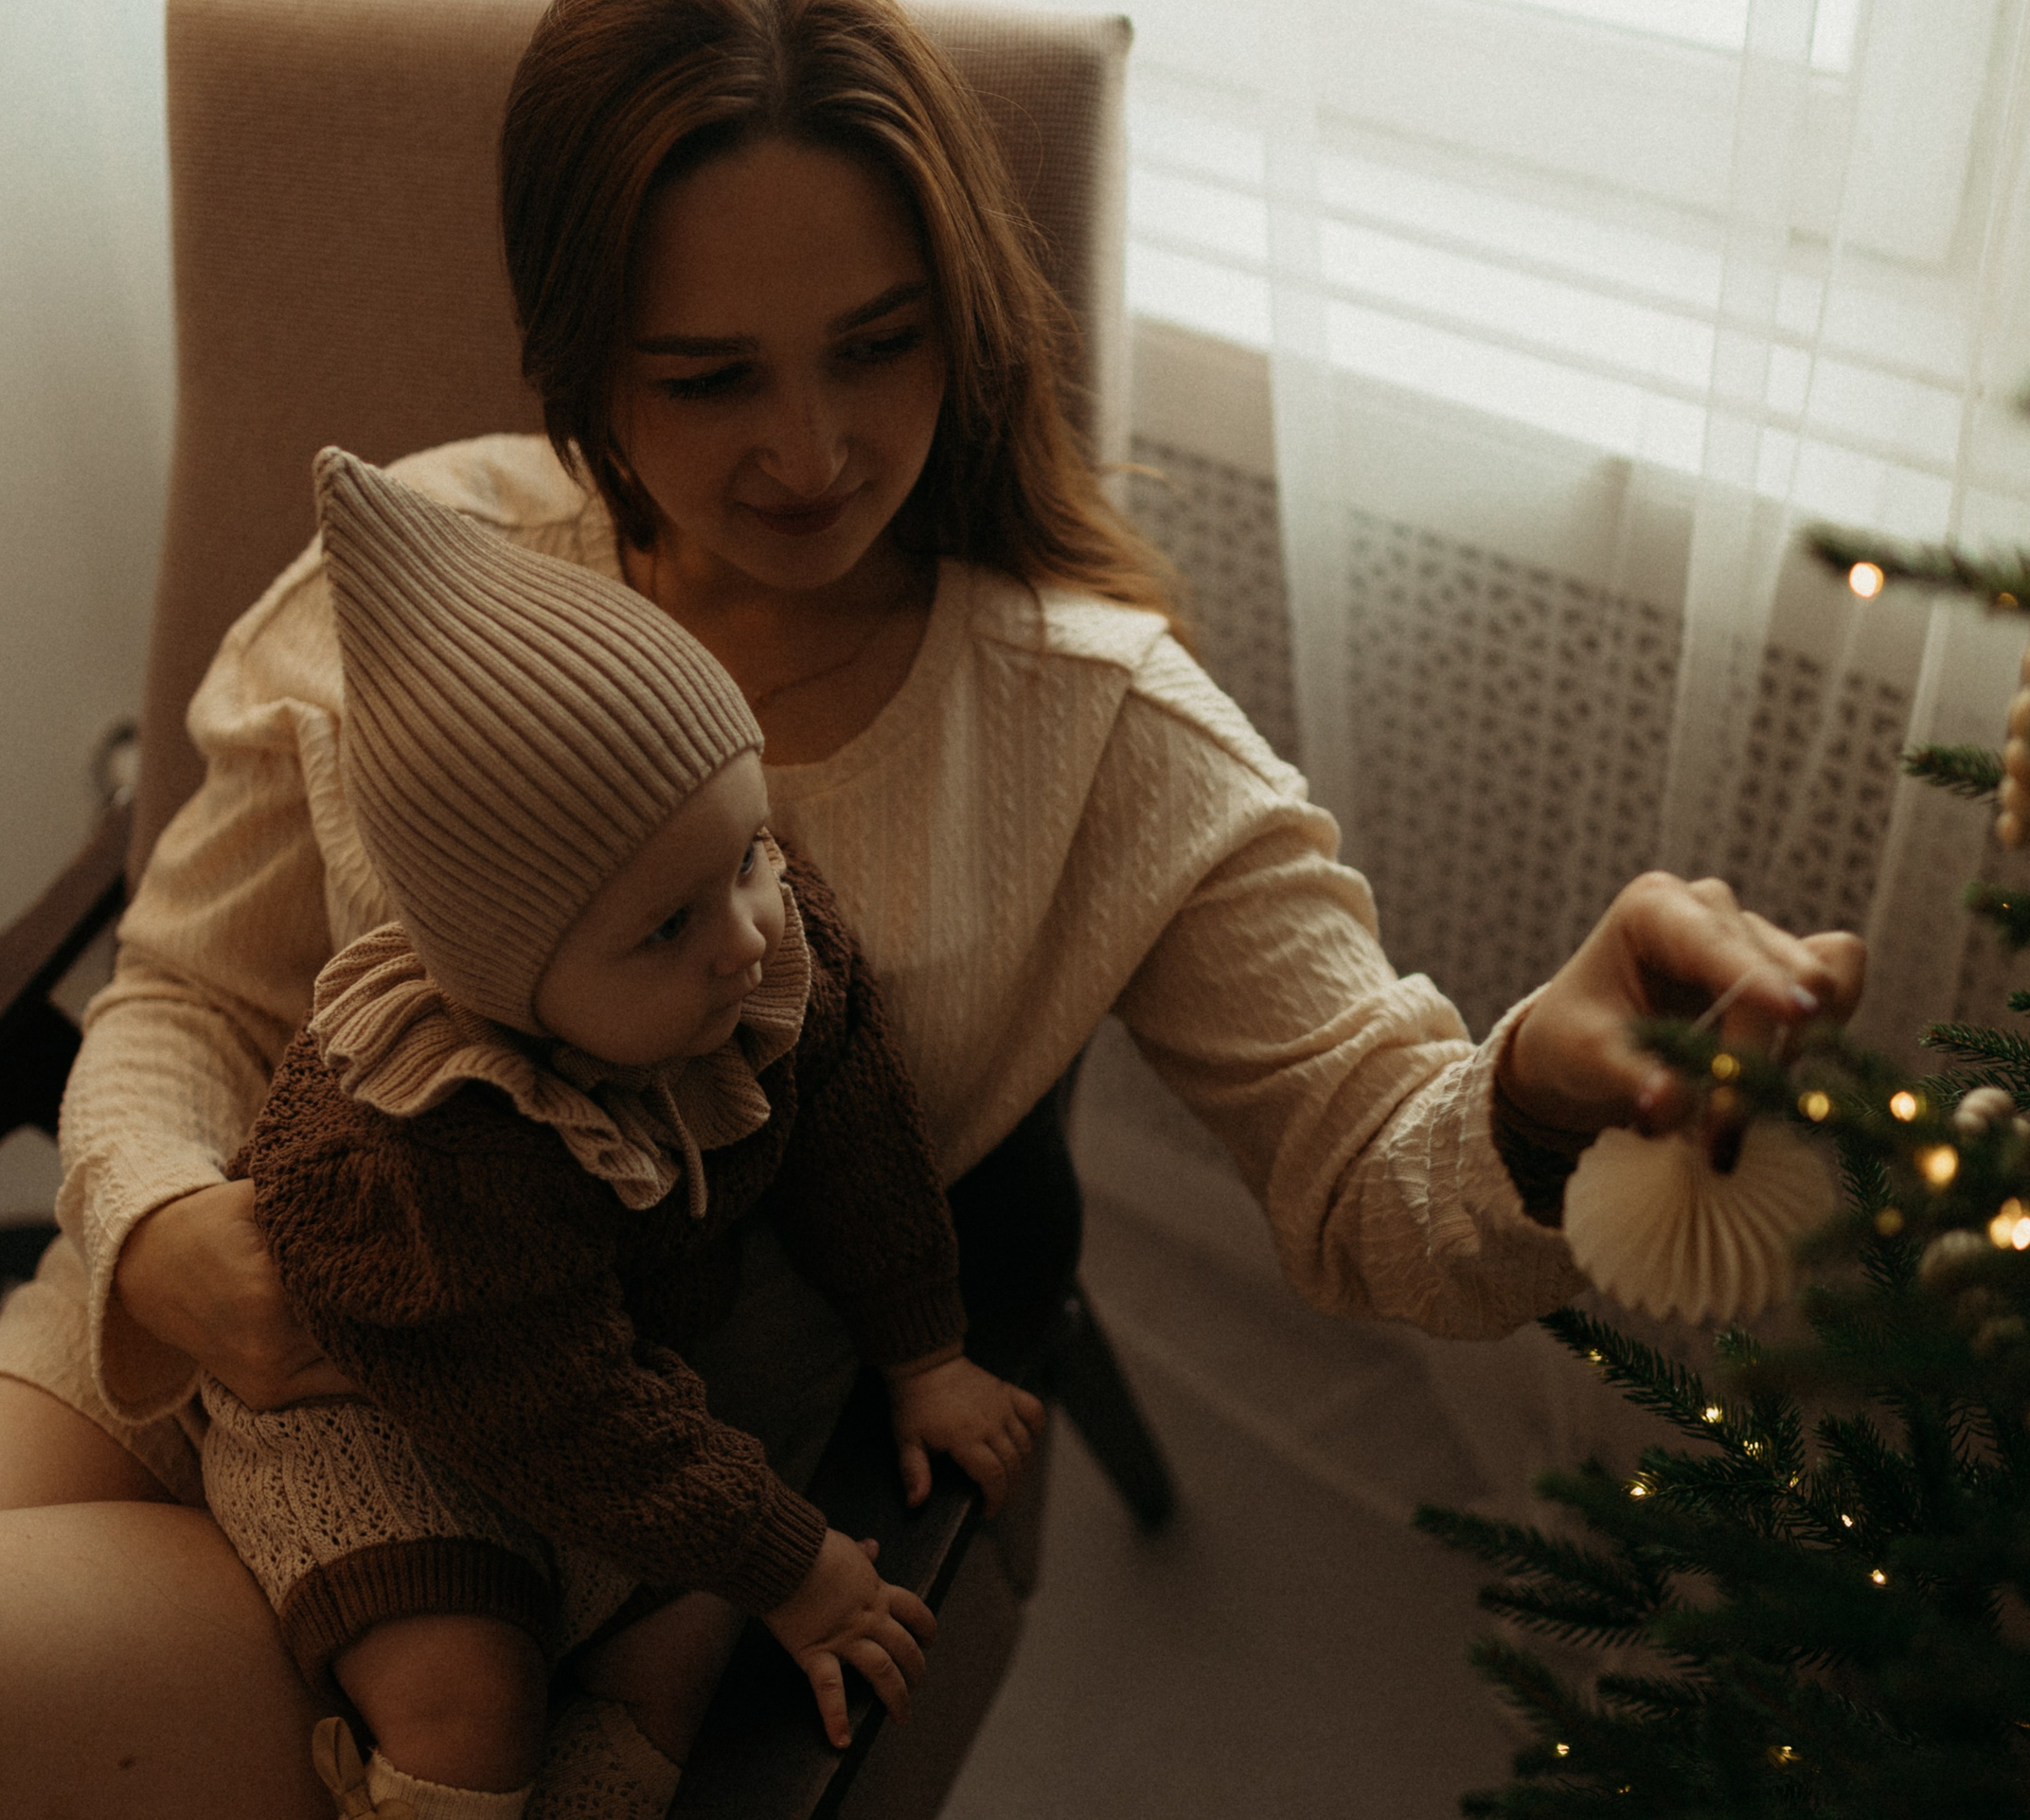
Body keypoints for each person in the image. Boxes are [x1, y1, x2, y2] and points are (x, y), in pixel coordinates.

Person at [0, 1, 1866, 1814]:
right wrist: (161, 1228)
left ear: (960, 327)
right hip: (169, 1336)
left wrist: (1539, 1080)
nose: (811, 453)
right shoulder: (419, 570)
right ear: (576, 358)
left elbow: (1381, 1184)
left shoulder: (1093, 736)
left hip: (528, 1502)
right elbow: (179, 1001)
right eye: (711, 374)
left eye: (876, 346)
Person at [200, 446, 1040, 1818]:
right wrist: (798, 1558)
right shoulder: (436, 1150)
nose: (747, 936)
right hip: (366, 1407)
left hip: (598, 1381)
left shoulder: (760, 944)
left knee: (693, 1630)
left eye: (752, 852)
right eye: (668, 922)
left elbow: (862, 1142)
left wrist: (925, 1347)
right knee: (470, 1699)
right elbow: (575, 1418)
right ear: (499, 974)